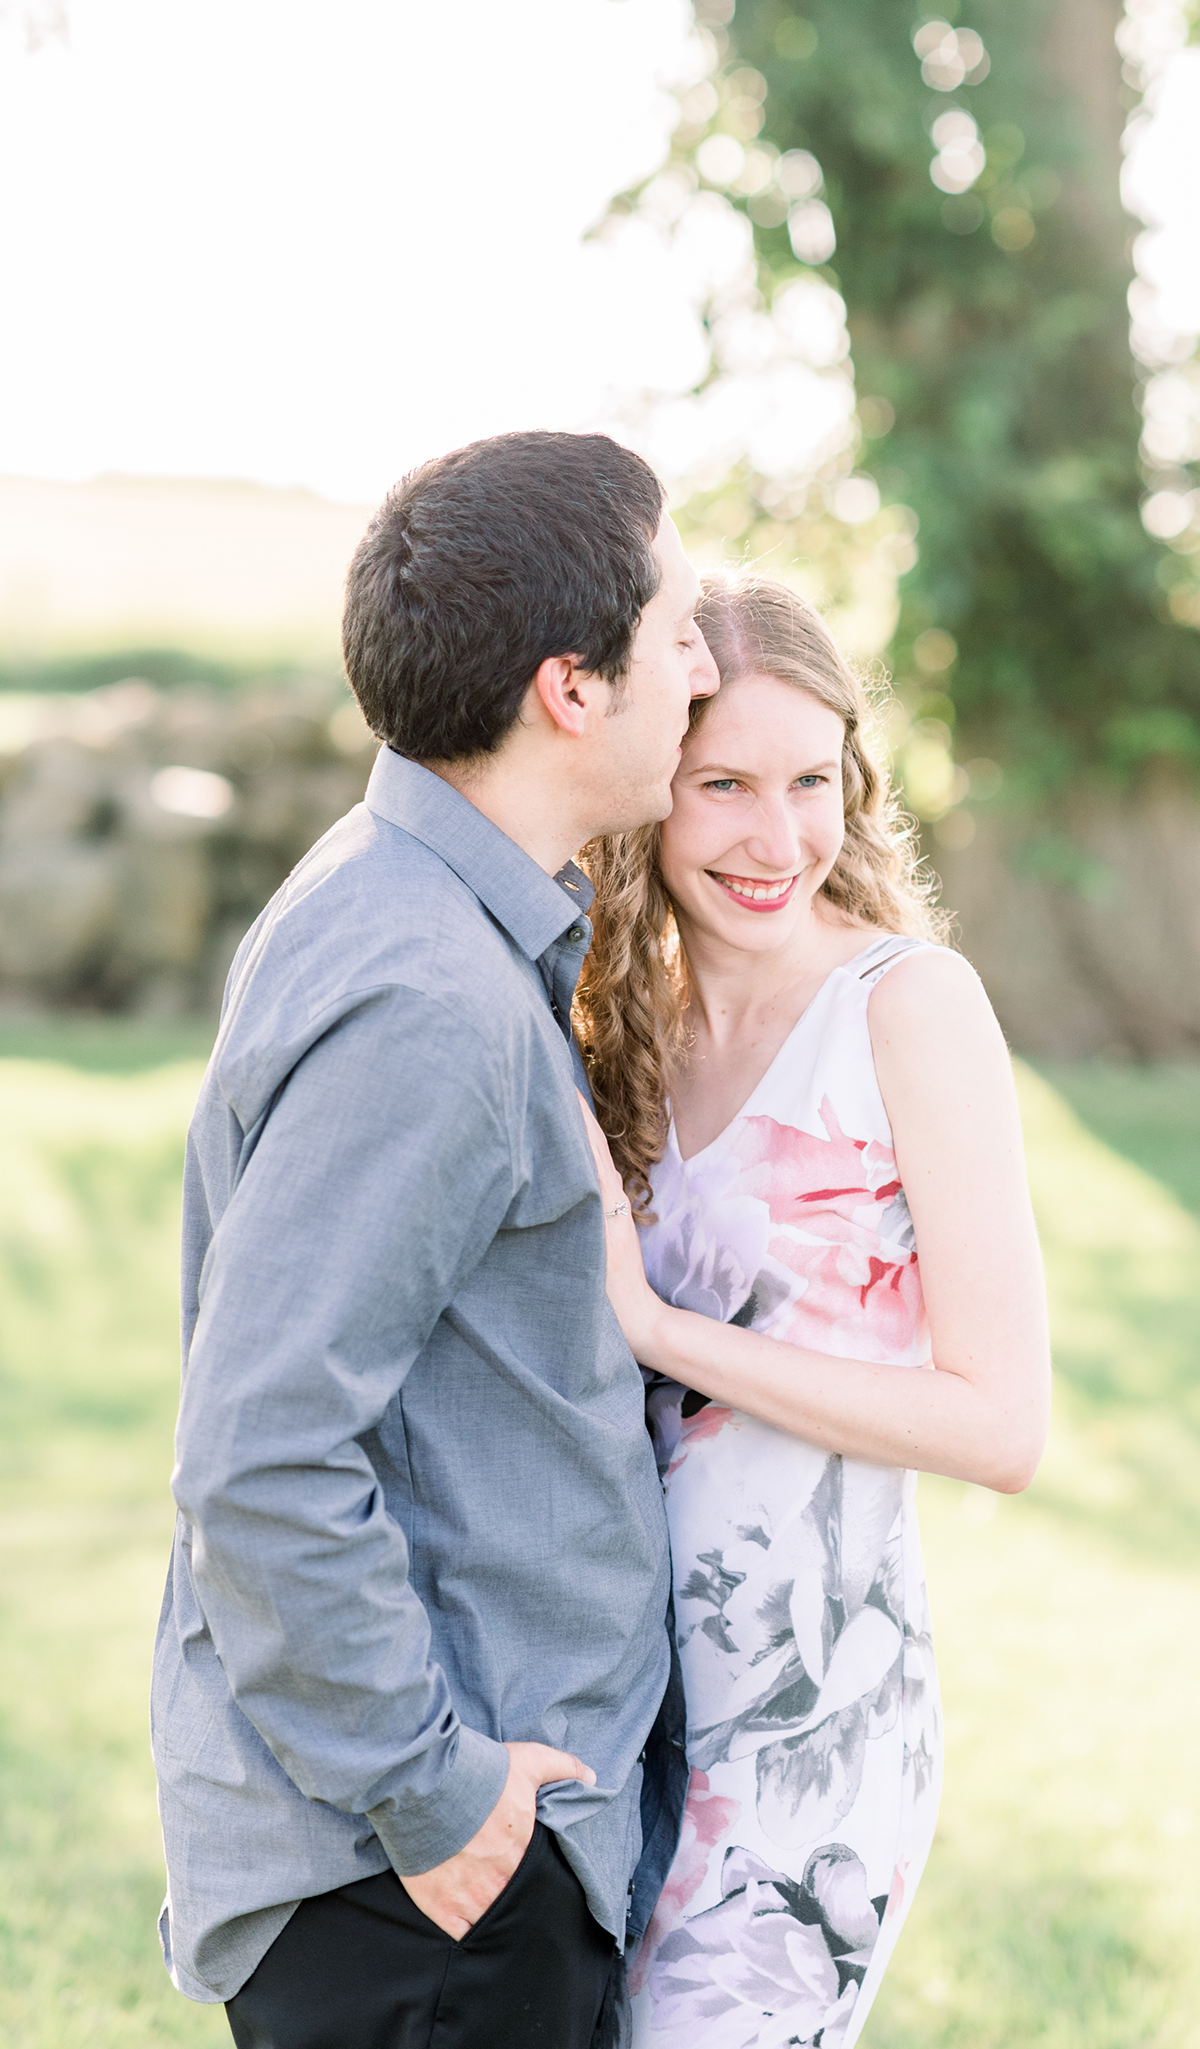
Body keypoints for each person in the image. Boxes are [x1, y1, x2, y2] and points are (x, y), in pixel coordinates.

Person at [150, 431, 719, 2049]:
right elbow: (259, 1452)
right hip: (426, 1883)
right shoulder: (430, 995)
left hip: (438, 1870)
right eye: (674, 626)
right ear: (569, 689)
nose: (701, 662)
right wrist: (437, 1791)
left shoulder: (415, 899)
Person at [572, 573, 1051, 2049]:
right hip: (602, 1716)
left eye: (808, 781)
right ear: (651, 780)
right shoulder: (608, 1015)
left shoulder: (907, 1008)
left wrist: (661, 1329)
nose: (774, 838)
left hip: (806, 1741)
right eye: (722, 784)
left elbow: (998, 1422)